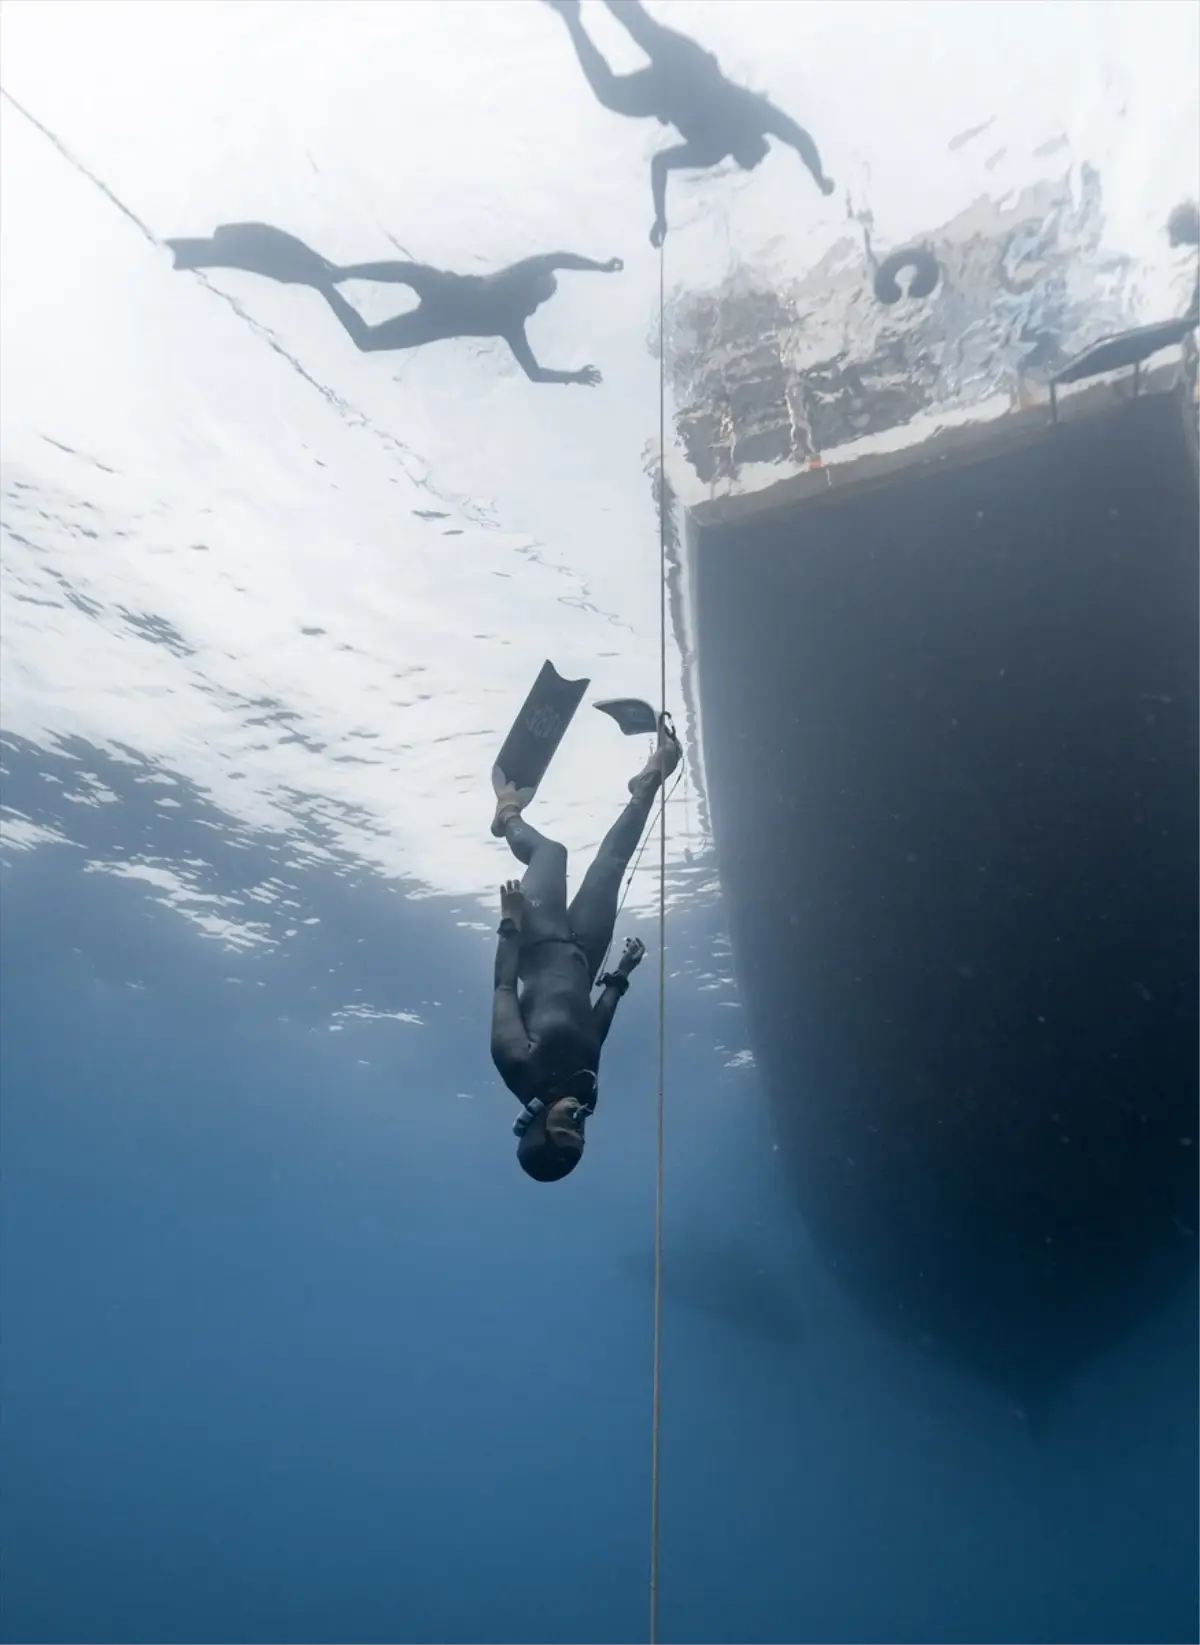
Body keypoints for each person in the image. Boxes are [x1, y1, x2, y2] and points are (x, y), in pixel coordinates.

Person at [490, 716, 681, 1181]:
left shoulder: (518, 1065)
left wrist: (510, 922)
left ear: (536, 1128)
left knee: (551, 853)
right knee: (611, 865)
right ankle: (648, 783)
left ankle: (507, 813)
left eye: (565, 1129)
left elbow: (502, 989)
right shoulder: (587, 1091)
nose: (578, 1120)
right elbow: (596, 1030)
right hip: (586, 954)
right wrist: (621, 973)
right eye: (581, 1132)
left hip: (537, 938)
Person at [165, 223, 623, 385]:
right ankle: (332, 279)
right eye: (543, 293)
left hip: (437, 311)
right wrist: (599, 267)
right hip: (442, 291)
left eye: (543, 296)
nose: (539, 302)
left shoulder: (513, 321)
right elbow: (557, 259)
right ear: (536, 290)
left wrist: (571, 378)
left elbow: (537, 374)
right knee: (380, 293)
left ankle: (325, 283)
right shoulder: (516, 295)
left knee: (365, 340)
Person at [542, 0, 834, 246]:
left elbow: (660, 163)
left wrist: (660, 216)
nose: (756, 163)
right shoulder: (755, 115)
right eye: (760, 156)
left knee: (612, 90)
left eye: (755, 161)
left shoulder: (712, 152)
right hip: (689, 69)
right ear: (754, 141)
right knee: (640, 26)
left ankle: (571, 17)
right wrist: (819, 177)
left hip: (667, 93)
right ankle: (571, 19)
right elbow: (801, 139)